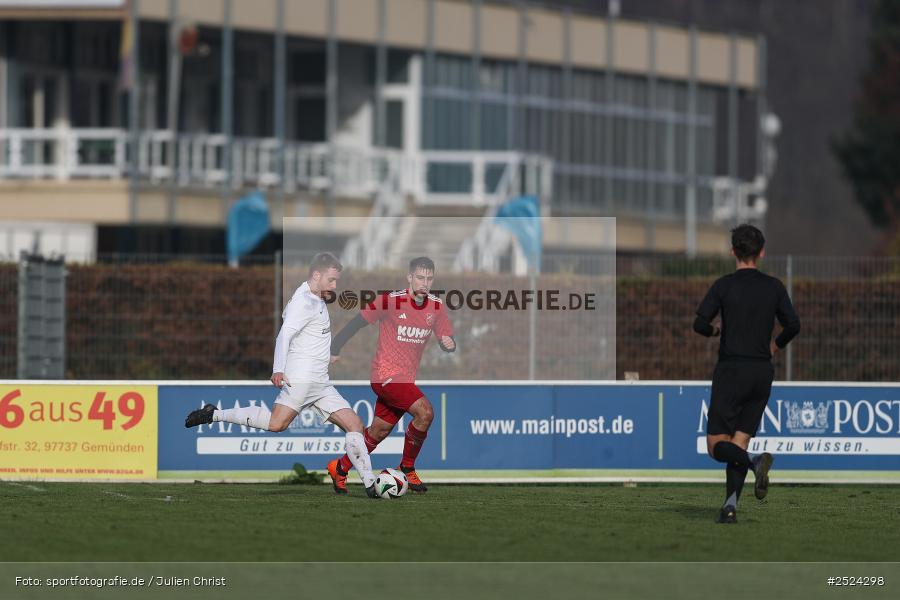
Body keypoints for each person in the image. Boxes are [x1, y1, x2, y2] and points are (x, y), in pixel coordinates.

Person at [185, 252, 378, 498]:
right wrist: (278, 368)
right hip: (302, 379)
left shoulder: (314, 297)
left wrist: (326, 354)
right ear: (316, 275)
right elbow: (285, 335)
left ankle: (370, 484)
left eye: (336, 280)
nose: (334, 285)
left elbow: (308, 335)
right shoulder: (304, 302)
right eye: (331, 280)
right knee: (276, 424)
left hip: (320, 382)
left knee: (355, 425)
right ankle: (214, 414)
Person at [693, 224, 801, 523]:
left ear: (733, 252)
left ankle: (754, 462)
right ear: (761, 253)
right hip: (761, 373)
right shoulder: (774, 287)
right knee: (739, 442)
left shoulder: (724, 286)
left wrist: (715, 331)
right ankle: (729, 508)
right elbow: (793, 325)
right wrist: (774, 346)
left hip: (732, 370)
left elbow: (699, 324)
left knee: (716, 446)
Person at [326, 256, 455, 494]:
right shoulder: (391, 301)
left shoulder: (436, 307)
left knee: (378, 432)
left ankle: (340, 468)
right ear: (409, 277)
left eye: (429, 278)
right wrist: (335, 347)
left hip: (404, 380)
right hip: (384, 375)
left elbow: (446, 338)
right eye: (420, 277)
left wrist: (449, 344)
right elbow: (357, 322)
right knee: (425, 412)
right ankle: (407, 467)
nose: (424, 283)